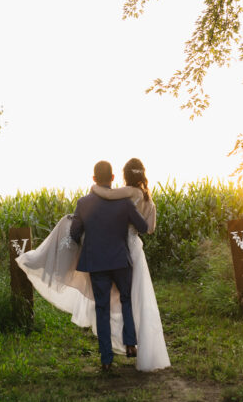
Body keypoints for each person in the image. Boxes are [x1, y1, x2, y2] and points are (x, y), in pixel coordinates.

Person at [15, 158, 171, 372]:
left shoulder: (84, 203)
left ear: (94, 179)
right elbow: (143, 226)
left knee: (102, 308)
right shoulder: (124, 201)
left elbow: (74, 233)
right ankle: (130, 343)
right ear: (113, 178)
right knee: (126, 300)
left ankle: (106, 359)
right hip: (120, 260)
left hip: (96, 262)